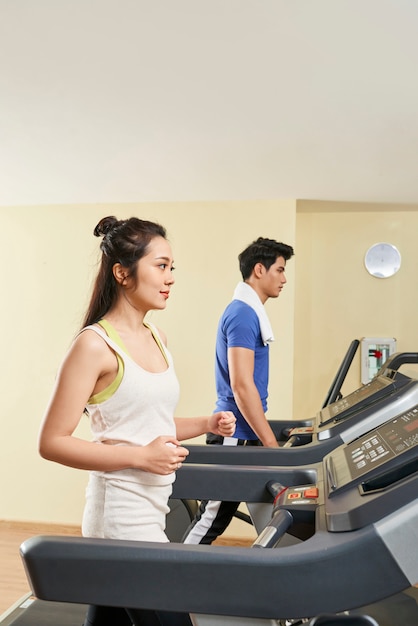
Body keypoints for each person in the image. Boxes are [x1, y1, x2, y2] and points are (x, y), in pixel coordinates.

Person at [38, 216, 236, 626]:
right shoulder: (94, 346)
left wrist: (206, 423)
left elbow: (150, 425)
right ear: (122, 273)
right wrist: (141, 458)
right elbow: (53, 442)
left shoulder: (157, 337)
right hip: (119, 521)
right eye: (161, 266)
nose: (171, 277)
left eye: (172, 267)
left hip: (151, 508)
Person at [182, 236, 294, 545]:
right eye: (280, 270)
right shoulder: (244, 314)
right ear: (259, 270)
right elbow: (242, 386)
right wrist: (270, 443)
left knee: (233, 514)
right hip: (234, 431)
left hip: (244, 431)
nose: (284, 279)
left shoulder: (248, 311)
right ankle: (173, 578)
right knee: (212, 517)